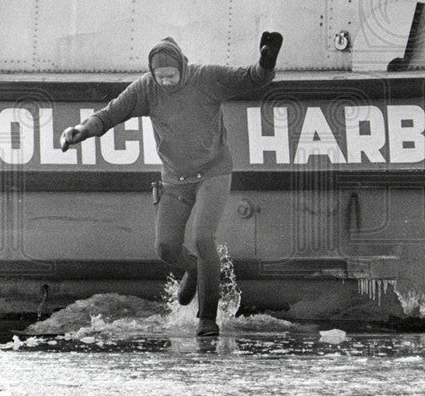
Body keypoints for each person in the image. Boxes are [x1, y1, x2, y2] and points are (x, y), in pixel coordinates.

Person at [59, 33, 283, 337]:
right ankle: (194, 269)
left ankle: (207, 319)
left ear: (182, 66)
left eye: (170, 75)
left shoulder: (206, 78)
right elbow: (111, 113)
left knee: (203, 238)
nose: (165, 81)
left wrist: (266, 62)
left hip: (213, 173)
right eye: (159, 76)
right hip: (174, 179)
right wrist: (82, 131)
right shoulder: (147, 88)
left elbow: (251, 80)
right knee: (165, 248)